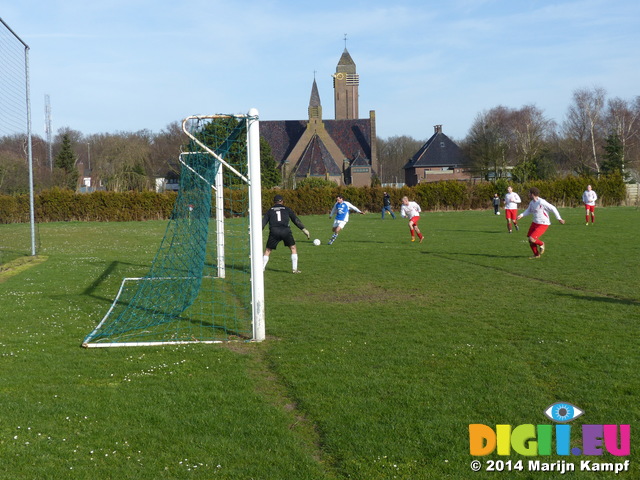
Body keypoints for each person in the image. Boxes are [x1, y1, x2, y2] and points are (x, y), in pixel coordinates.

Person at [262, 194, 310, 273]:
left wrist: (258, 231)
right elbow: (295, 220)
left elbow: (263, 222)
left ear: (274, 202)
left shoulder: (270, 210)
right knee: (293, 248)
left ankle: (262, 268)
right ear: (282, 201)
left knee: (268, 250)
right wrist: (304, 229)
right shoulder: (287, 209)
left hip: (274, 231)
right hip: (285, 231)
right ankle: (294, 269)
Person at [517, 187, 565, 259]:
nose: (528, 194)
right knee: (530, 240)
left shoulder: (541, 202)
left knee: (532, 238)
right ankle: (536, 255)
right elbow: (528, 211)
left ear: (532, 194)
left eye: (529, 193)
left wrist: (559, 218)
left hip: (543, 223)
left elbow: (553, 208)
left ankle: (542, 244)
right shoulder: (532, 202)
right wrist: (521, 215)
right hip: (535, 222)